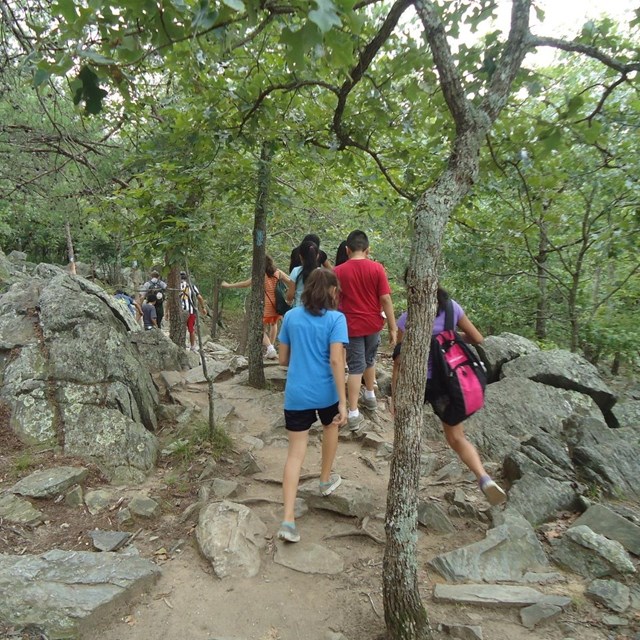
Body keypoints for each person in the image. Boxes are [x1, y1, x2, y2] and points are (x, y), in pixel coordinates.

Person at [391, 286, 506, 506]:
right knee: (456, 438)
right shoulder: (452, 309)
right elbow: (477, 338)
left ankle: (405, 483)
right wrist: (450, 334)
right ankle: (483, 477)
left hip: (420, 382)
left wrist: (395, 395)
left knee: (406, 432)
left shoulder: (407, 319)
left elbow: (399, 359)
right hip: (450, 382)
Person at [277, 268, 348, 543]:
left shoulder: (291, 317)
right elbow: (335, 361)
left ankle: (288, 520)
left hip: (297, 394)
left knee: (295, 454)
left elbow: (282, 360)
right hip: (327, 392)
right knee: (332, 426)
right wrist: (343, 402)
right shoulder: (336, 319)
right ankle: (325, 479)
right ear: (332, 291)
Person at [334, 230, 397, 431]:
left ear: (347, 249)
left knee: (355, 367)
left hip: (350, 326)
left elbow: (335, 300)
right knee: (369, 360)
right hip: (373, 324)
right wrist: (393, 328)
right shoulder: (377, 269)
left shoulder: (339, 271)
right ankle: (369, 396)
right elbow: (385, 299)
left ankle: (353, 412)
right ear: (368, 249)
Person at [221, 256, 293, 359]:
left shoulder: (260, 274)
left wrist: (229, 285)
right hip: (277, 304)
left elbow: (245, 284)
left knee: (260, 329)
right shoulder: (278, 272)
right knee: (274, 324)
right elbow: (291, 282)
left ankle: (270, 348)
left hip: (266, 305)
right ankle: (271, 349)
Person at [180, 271, 208, 352]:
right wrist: (203, 307)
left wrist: (167, 311)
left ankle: (181, 346)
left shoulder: (176, 286)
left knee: (181, 329)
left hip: (180, 311)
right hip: (191, 311)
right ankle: (192, 347)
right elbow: (199, 297)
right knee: (191, 329)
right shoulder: (192, 286)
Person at [288, 240, 320, 307]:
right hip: (316, 309)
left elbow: (290, 296)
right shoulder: (321, 273)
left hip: (298, 309)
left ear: (300, 256)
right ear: (317, 256)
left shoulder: (296, 271)